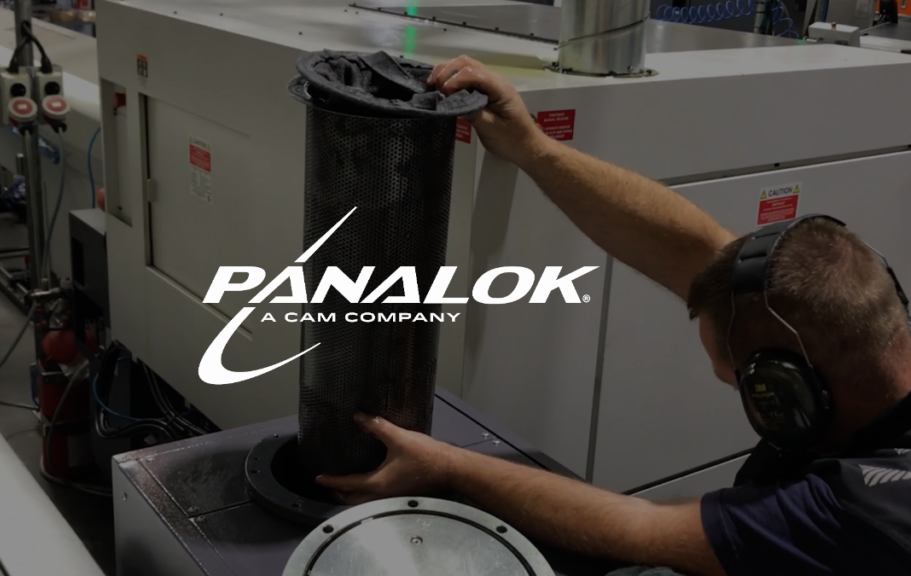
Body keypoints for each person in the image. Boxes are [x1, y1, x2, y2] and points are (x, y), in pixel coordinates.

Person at [316, 56, 911, 576]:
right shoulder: (861, 337)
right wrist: (532, 146)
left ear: (788, 395)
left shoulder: (861, 512)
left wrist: (448, 465)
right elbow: (705, 255)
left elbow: (641, 528)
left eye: (737, 384)